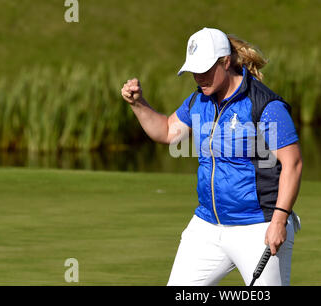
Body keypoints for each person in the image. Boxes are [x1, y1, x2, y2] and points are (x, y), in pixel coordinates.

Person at [121, 27, 303, 286]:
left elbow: (293, 164)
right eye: (194, 70)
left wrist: (279, 221)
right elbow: (166, 132)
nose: (199, 77)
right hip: (206, 226)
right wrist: (138, 104)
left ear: (225, 62)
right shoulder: (199, 101)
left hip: (257, 227)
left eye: (205, 69)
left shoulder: (265, 105)